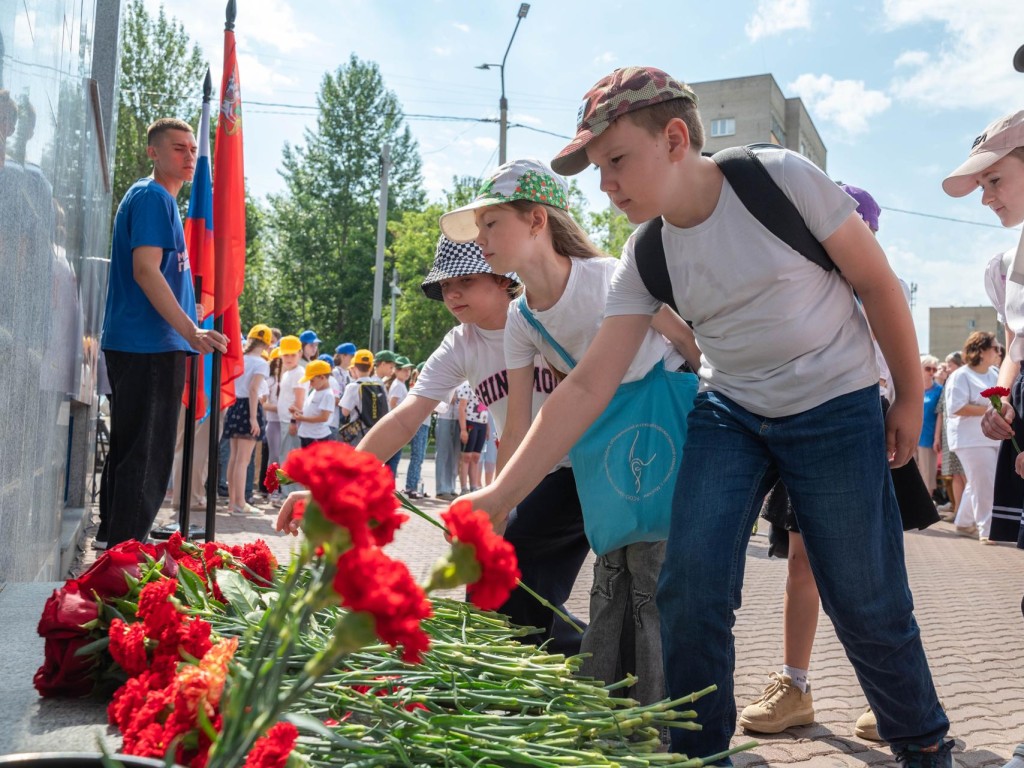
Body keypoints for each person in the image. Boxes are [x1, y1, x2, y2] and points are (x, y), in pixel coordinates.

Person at [463, 67, 951, 766]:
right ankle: (698, 753)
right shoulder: (646, 253)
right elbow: (587, 385)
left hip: (835, 402)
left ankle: (924, 743)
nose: (606, 185)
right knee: (686, 586)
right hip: (733, 411)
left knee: (864, 596)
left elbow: (874, 283)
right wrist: (499, 494)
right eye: (597, 171)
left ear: (675, 138)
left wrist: (906, 395)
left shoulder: (778, 179)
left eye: (617, 162)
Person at [439, 157, 697, 704]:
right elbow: (520, 423)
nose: (481, 239)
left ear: (537, 221)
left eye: (492, 223)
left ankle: (664, 716)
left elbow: (689, 347)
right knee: (578, 570)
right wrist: (500, 501)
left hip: (665, 436)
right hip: (600, 449)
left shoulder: (611, 277)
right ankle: (515, 688)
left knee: (651, 578)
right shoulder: (521, 319)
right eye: (479, 227)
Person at [277, 236, 589, 654]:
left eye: (465, 279)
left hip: (585, 465)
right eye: (443, 286)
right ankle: (583, 658)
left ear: (502, 276)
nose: (452, 292)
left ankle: (566, 666)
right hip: (531, 473)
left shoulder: (544, 316)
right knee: (496, 585)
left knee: (511, 567)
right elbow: (405, 417)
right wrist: (331, 487)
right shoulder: (460, 343)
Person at [739, 184, 938, 741]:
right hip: (800, 423)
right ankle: (794, 686)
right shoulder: (796, 283)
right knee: (802, 564)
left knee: (875, 571)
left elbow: (893, 357)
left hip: (862, 423)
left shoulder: (878, 285)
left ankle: (895, 695)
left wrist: (902, 405)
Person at [98, 117, 228, 547]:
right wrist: (191, 329)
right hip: (148, 346)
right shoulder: (154, 197)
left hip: (138, 343)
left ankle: (114, 539)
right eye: (178, 148)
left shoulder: (150, 197)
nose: (190, 156)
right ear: (153, 152)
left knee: (131, 446)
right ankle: (126, 552)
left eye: (192, 149)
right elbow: (145, 271)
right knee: (149, 452)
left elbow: (157, 276)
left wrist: (190, 309)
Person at [943, 107, 1024, 768]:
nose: (987, 198)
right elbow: (1018, 343)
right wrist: (1002, 406)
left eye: (994, 180)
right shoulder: (1013, 258)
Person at [945, 331, 1001, 542]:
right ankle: (987, 530)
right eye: (995, 347)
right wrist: (991, 408)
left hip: (991, 436)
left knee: (978, 482)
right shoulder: (961, 375)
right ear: (980, 350)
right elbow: (956, 407)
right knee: (985, 483)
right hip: (970, 439)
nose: (998, 351)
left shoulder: (994, 372)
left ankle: (963, 523)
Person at [223, 324, 271, 516]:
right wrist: (253, 418)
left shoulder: (240, 359)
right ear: (267, 344)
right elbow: (253, 389)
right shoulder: (261, 363)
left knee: (234, 459)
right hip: (248, 407)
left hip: (234, 406)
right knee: (243, 460)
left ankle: (233, 502)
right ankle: (240, 503)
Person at [402, 362, 432, 499]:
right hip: (419, 424)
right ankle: (411, 486)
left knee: (420, 457)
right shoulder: (418, 387)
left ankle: (416, 485)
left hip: (425, 423)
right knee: (417, 456)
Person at [291, 359, 334, 447]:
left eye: (312, 381)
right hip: (307, 434)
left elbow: (324, 417)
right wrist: (298, 412)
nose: (310, 384)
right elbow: (311, 411)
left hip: (317, 436)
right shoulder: (315, 391)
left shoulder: (327, 394)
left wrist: (302, 418)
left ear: (322, 377)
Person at [455, 379, 487, 494]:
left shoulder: (484, 384)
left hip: (482, 423)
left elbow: (487, 408)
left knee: (476, 457)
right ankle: (464, 487)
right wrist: (463, 430)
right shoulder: (466, 385)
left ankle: (474, 486)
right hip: (470, 422)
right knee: (466, 457)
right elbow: (461, 408)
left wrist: (487, 427)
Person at [919, 355, 943, 495]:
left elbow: (940, 415)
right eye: (928, 368)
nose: (931, 372)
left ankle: (927, 504)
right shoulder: (913, 387)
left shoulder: (939, 390)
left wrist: (936, 438)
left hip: (928, 436)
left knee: (928, 473)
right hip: (912, 435)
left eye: (934, 369)